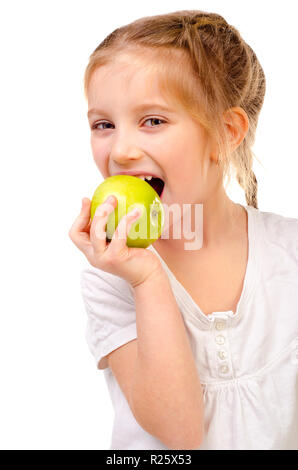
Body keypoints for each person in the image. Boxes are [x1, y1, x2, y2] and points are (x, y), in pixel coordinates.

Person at [68, 10, 298, 450]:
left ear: (225, 134)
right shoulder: (111, 279)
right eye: (104, 125)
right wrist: (147, 277)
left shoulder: (290, 253)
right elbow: (179, 435)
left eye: (153, 121)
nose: (121, 149)